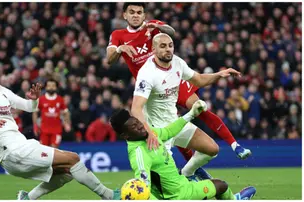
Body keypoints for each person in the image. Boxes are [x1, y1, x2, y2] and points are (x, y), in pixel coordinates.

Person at [106, 2, 251, 177]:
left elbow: (171, 34)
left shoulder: (156, 33)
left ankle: (230, 147)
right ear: (124, 15)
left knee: (198, 107)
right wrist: (120, 48)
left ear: (144, 15)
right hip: (151, 90)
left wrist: (160, 27)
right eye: (132, 12)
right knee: (169, 126)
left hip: (171, 78)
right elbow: (109, 59)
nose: (136, 15)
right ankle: (183, 173)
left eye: (139, 12)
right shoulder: (119, 36)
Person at [0, 56, 120, 200]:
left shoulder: (1, 91)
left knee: (67, 172)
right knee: (73, 159)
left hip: (21, 146)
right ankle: (109, 196)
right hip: (11, 150)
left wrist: (34, 100)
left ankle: (28, 198)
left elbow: (29, 107)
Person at [131, 33, 246, 181]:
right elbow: (136, 108)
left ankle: (186, 173)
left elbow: (198, 80)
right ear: (153, 49)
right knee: (167, 185)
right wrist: (149, 133)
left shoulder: (178, 63)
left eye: (170, 45)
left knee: (212, 149)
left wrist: (220, 74)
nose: (168, 49)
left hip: (176, 124)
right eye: (163, 46)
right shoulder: (147, 73)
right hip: (158, 131)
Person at [109, 100, 256, 200]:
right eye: (134, 127)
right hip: (178, 195)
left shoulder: (148, 134)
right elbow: (144, 188)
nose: (140, 126)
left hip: (181, 185)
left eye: (137, 122)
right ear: (125, 135)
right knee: (221, 185)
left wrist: (191, 114)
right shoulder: (139, 154)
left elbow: (167, 132)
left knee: (217, 185)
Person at [32, 78, 71, 148]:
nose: (51, 87)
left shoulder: (60, 99)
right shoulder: (41, 99)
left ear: (56, 87)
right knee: (43, 151)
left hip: (57, 130)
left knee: (54, 150)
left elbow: (66, 112)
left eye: (53, 86)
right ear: (46, 87)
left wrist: (67, 123)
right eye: (49, 85)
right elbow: (35, 112)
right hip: (44, 130)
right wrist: (35, 126)